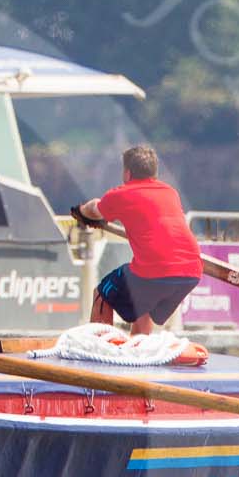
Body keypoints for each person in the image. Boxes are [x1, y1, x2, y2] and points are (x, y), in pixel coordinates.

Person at [70, 144, 202, 336]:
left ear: (127, 173)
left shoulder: (121, 194)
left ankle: (99, 348)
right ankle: (139, 351)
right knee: (142, 308)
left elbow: (93, 210)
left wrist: (79, 212)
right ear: (154, 172)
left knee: (102, 294)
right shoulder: (170, 192)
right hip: (191, 272)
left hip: (156, 270)